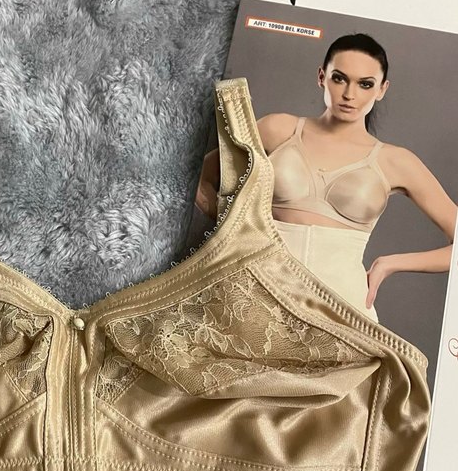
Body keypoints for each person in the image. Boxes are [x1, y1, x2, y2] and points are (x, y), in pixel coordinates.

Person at [195, 34, 457, 321]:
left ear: (382, 89)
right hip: (258, 292)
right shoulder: (278, 130)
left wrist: (389, 263)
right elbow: (198, 179)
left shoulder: (395, 161)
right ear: (322, 77)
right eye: (339, 78)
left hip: (343, 308)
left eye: (365, 84)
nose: (349, 94)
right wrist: (241, 230)